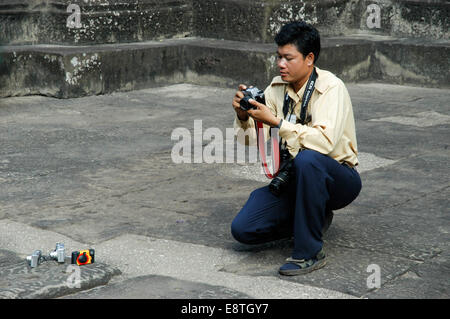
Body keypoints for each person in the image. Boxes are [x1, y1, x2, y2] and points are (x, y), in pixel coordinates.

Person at [231, 21, 362, 276]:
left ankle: (309, 252)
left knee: (308, 159)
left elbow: (324, 143)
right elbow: (247, 141)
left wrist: (277, 122)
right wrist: (243, 116)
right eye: (278, 56)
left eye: (288, 58)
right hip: (293, 178)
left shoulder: (331, 87)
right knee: (243, 229)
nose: (280, 64)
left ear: (309, 58)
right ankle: (312, 219)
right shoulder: (276, 88)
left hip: (338, 179)